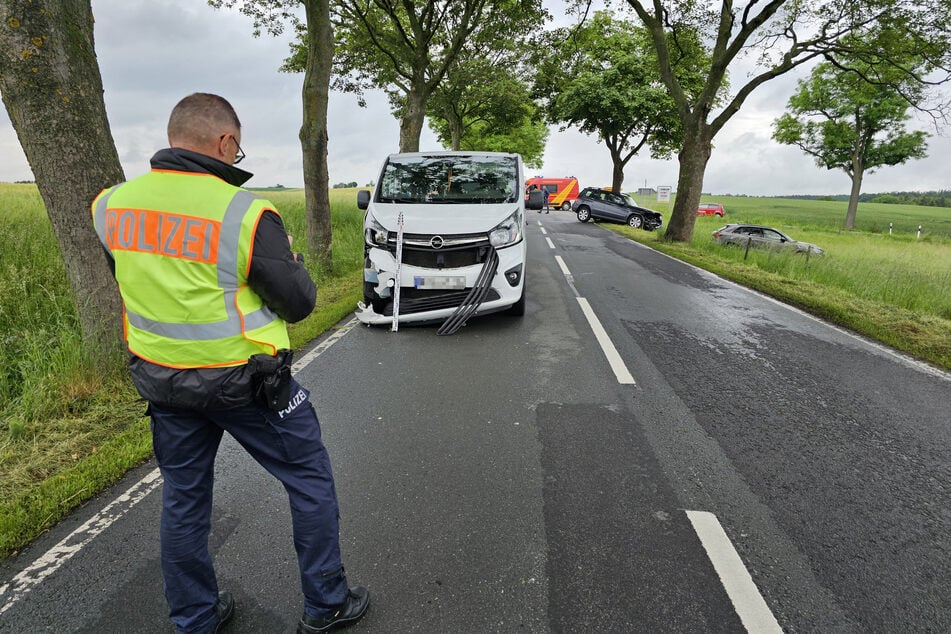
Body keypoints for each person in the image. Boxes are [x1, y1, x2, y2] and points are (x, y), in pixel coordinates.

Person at [91, 93, 369, 634]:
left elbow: (130, 275)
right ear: (224, 142)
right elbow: (299, 303)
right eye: (236, 146)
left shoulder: (111, 206)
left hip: (163, 383)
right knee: (309, 479)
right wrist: (290, 261)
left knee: (184, 498)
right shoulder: (243, 211)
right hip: (248, 385)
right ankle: (325, 604)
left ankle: (195, 618)